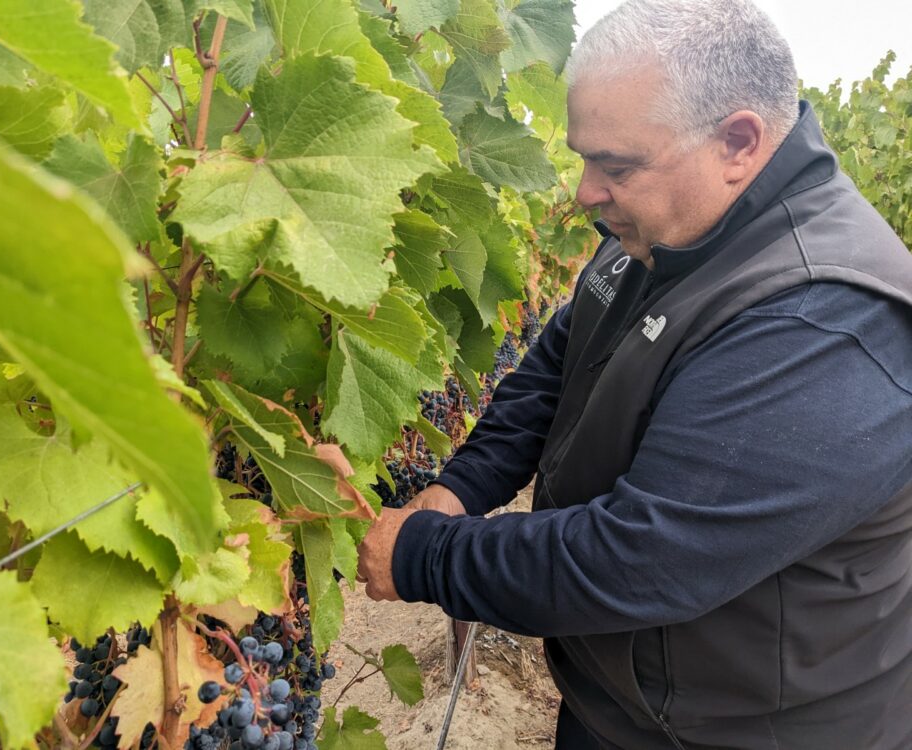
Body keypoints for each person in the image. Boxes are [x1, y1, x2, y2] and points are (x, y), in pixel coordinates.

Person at [357, 0, 912, 747]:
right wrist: (458, 489)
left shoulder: (824, 323)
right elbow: (555, 369)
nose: (584, 191)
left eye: (614, 166)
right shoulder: (658, 233)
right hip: (620, 701)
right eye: (585, 158)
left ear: (738, 143)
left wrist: (424, 555)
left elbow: (640, 562)